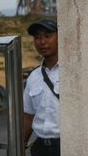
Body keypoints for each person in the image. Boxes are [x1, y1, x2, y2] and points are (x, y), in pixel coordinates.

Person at [23, 18, 60, 156]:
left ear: (59, 37)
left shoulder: (73, 73)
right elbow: (28, 116)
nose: (42, 42)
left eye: (48, 36)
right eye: (37, 37)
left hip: (68, 146)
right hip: (40, 149)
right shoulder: (33, 77)